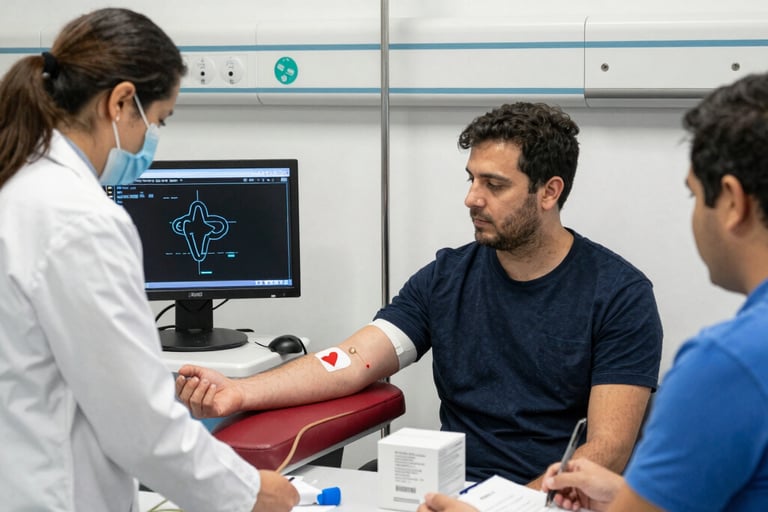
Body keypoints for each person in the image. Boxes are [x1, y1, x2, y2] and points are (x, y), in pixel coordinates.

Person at [177, 102, 663, 487]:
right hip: (447, 487)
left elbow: (607, 451)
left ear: (549, 191)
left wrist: (516, 506)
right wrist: (238, 391)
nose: (472, 198)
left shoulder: (619, 295)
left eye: (494, 184)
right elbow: (351, 360)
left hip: (549, 497)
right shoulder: (446, 277)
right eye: (471, 179)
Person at [421, 72, 768, 512]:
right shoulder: (449, 273)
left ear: (734, 203)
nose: (473, 199)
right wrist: (621, 496)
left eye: (695, 196)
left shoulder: (727, 364)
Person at [0, 8, 297, 512]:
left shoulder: (17, 183)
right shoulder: (82, 220)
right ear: (119, 102)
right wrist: (249, 493)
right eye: (157, 120)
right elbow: (138, 422)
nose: (149, 143)